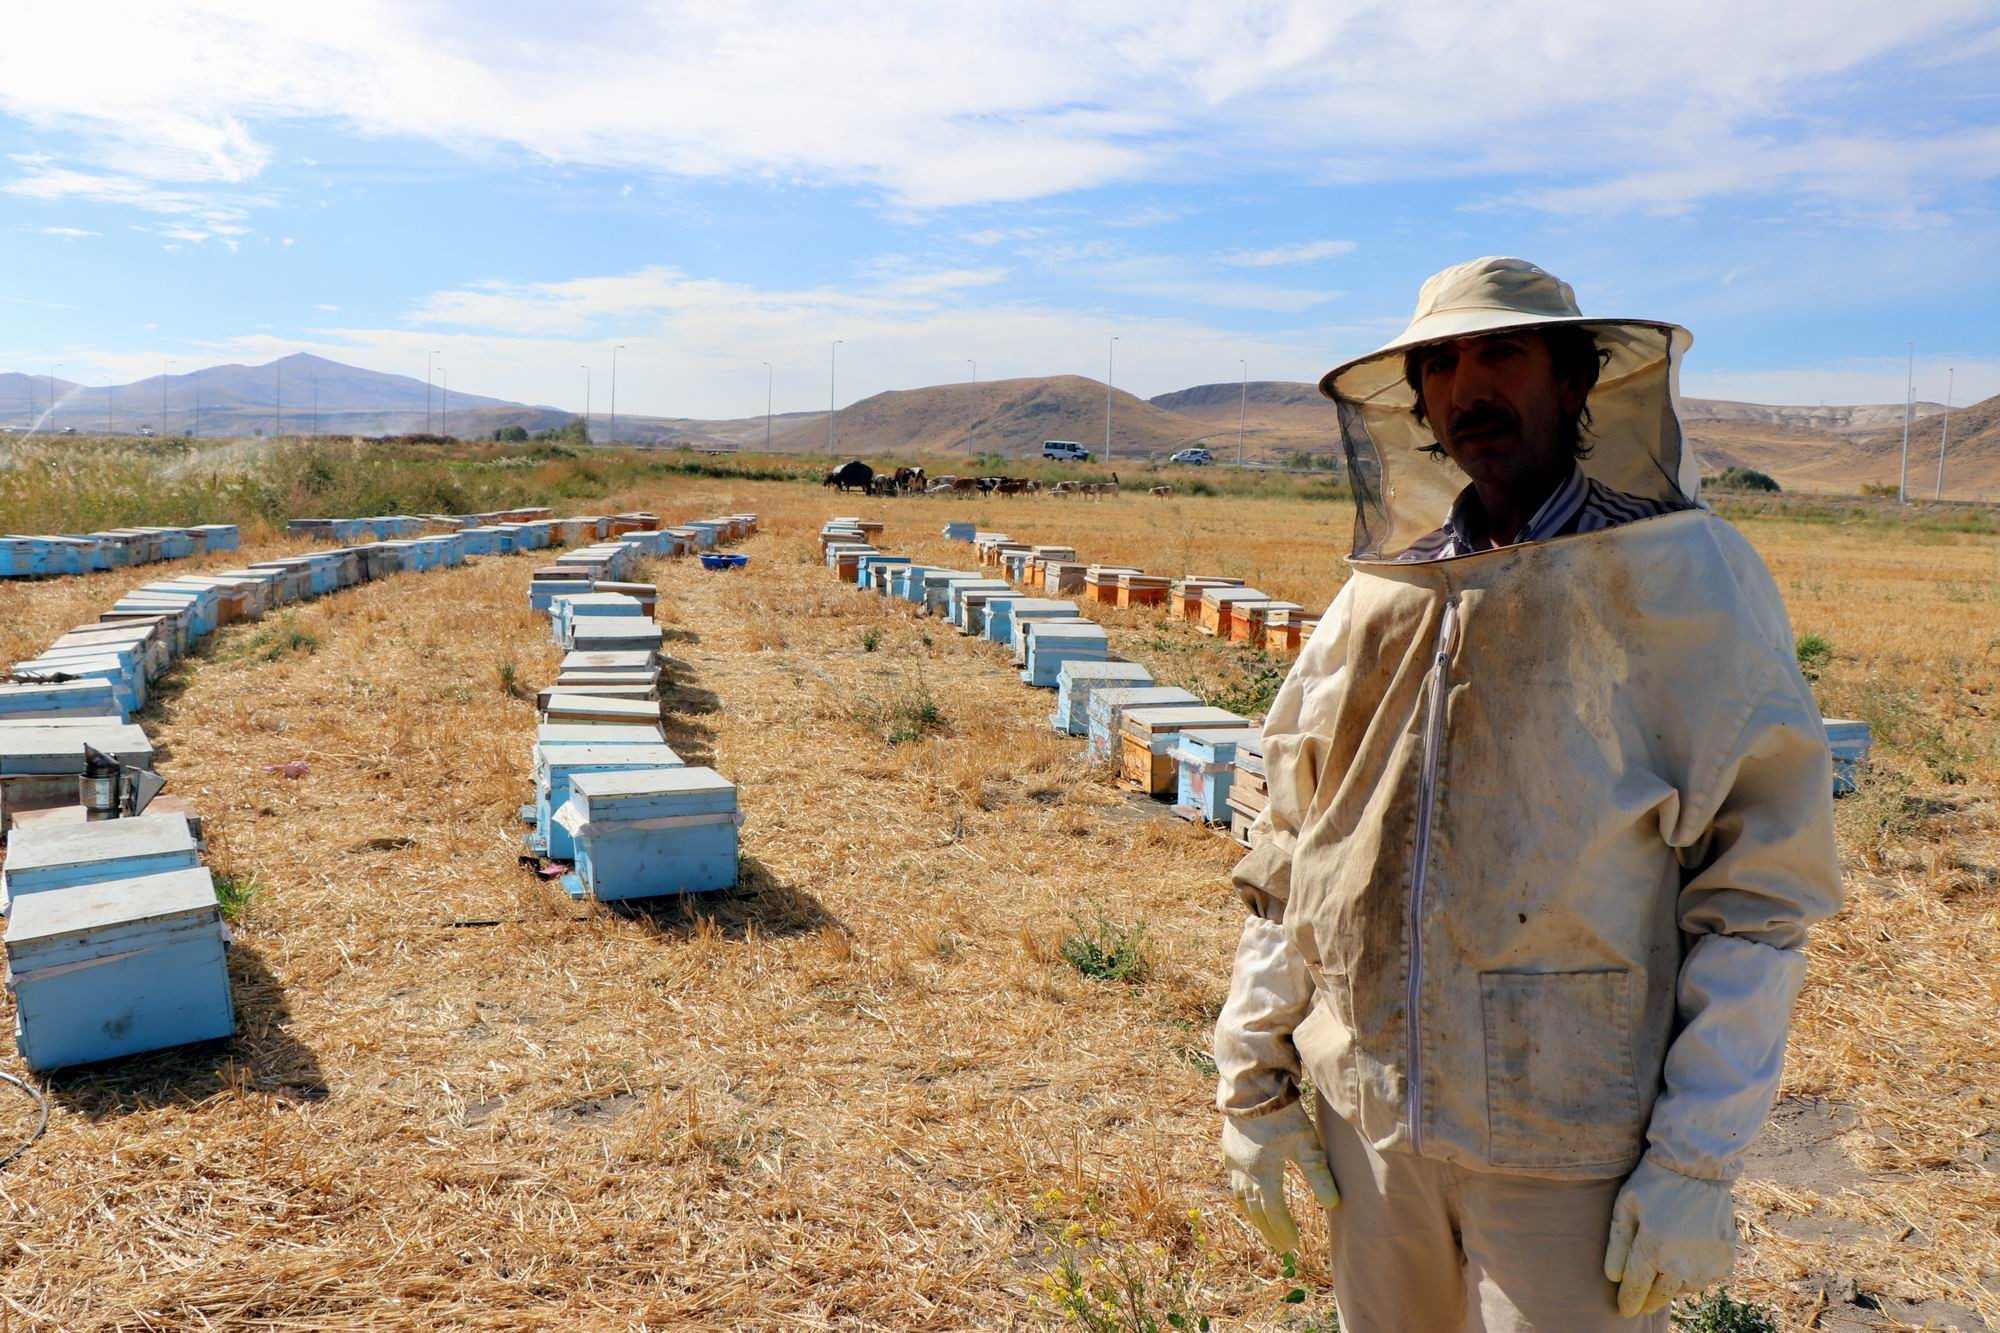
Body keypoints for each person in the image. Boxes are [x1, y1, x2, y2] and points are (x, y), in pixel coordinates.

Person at [1212, 256, 1843, 1330]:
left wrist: (1693, 1158)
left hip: (1566, 1145)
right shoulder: (1381, 594)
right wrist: (1251, 1075)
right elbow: (1293, 847)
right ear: (1415, 401)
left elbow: (1756, 894)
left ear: (1574, 380)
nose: (1468, 386)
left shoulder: (1677, 580)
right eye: (1440, 364)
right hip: (1369, 1124)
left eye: (1500, 351)